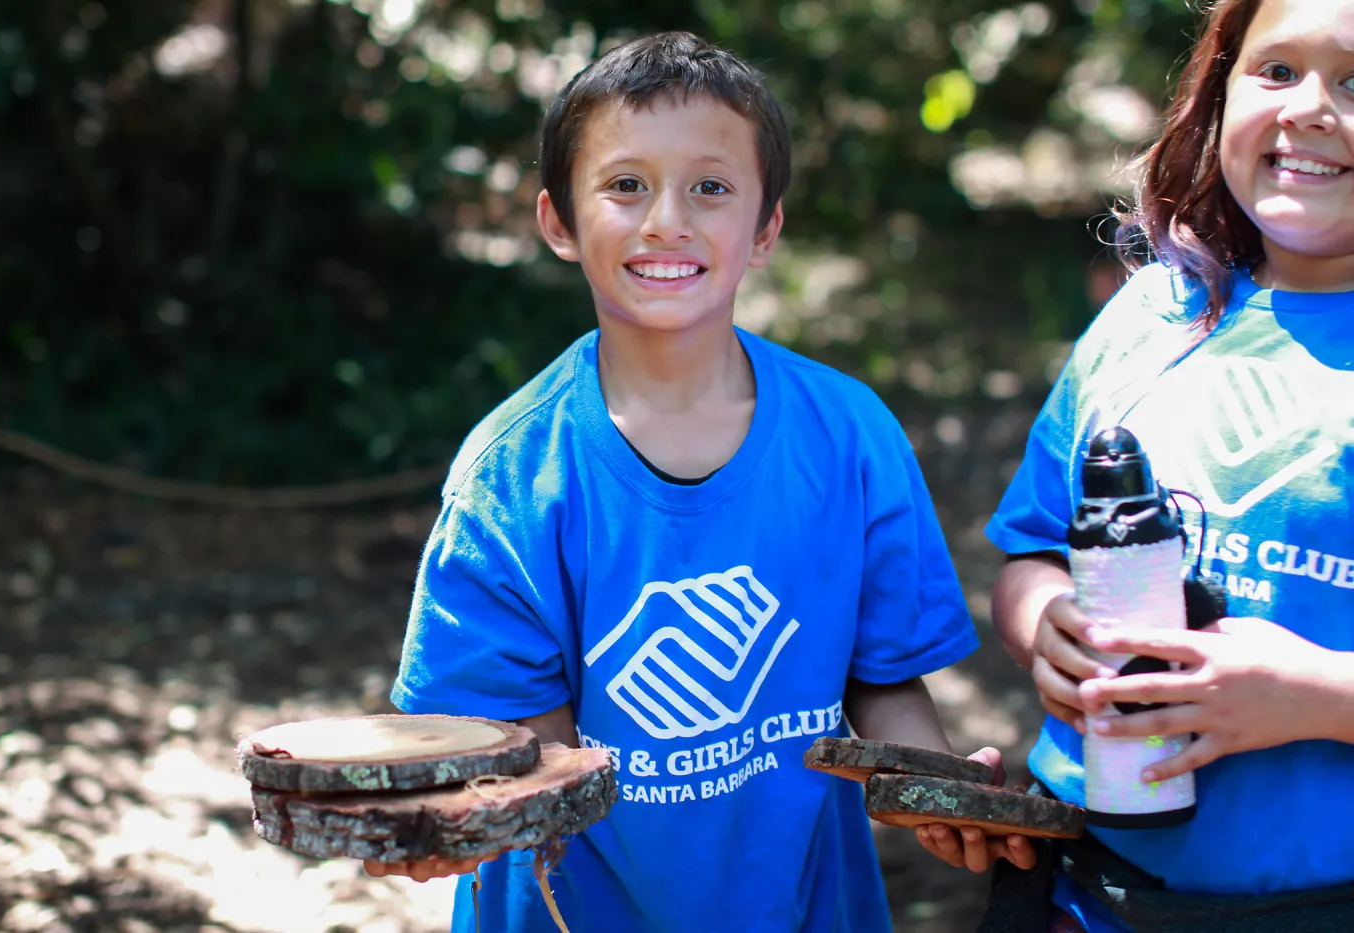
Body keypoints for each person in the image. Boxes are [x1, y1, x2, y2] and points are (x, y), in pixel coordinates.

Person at [359, 30, 1021, 933]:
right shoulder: (511, 476)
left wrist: (935, 789)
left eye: (710, 187)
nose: (667, 220)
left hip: (807, 907)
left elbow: (885, 681)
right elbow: (515, 753)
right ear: (558, 221)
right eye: (626, 184)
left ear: (766, 227)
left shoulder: (850, 434)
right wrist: (449, 825)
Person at [918, 0, 1354, 930]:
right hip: (1080, 894)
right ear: (1220, 91)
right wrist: (1048, 627)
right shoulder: (1152, 312)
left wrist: (1321, 697)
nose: (1311, 107)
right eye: (1277, 71)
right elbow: (1035, 553)